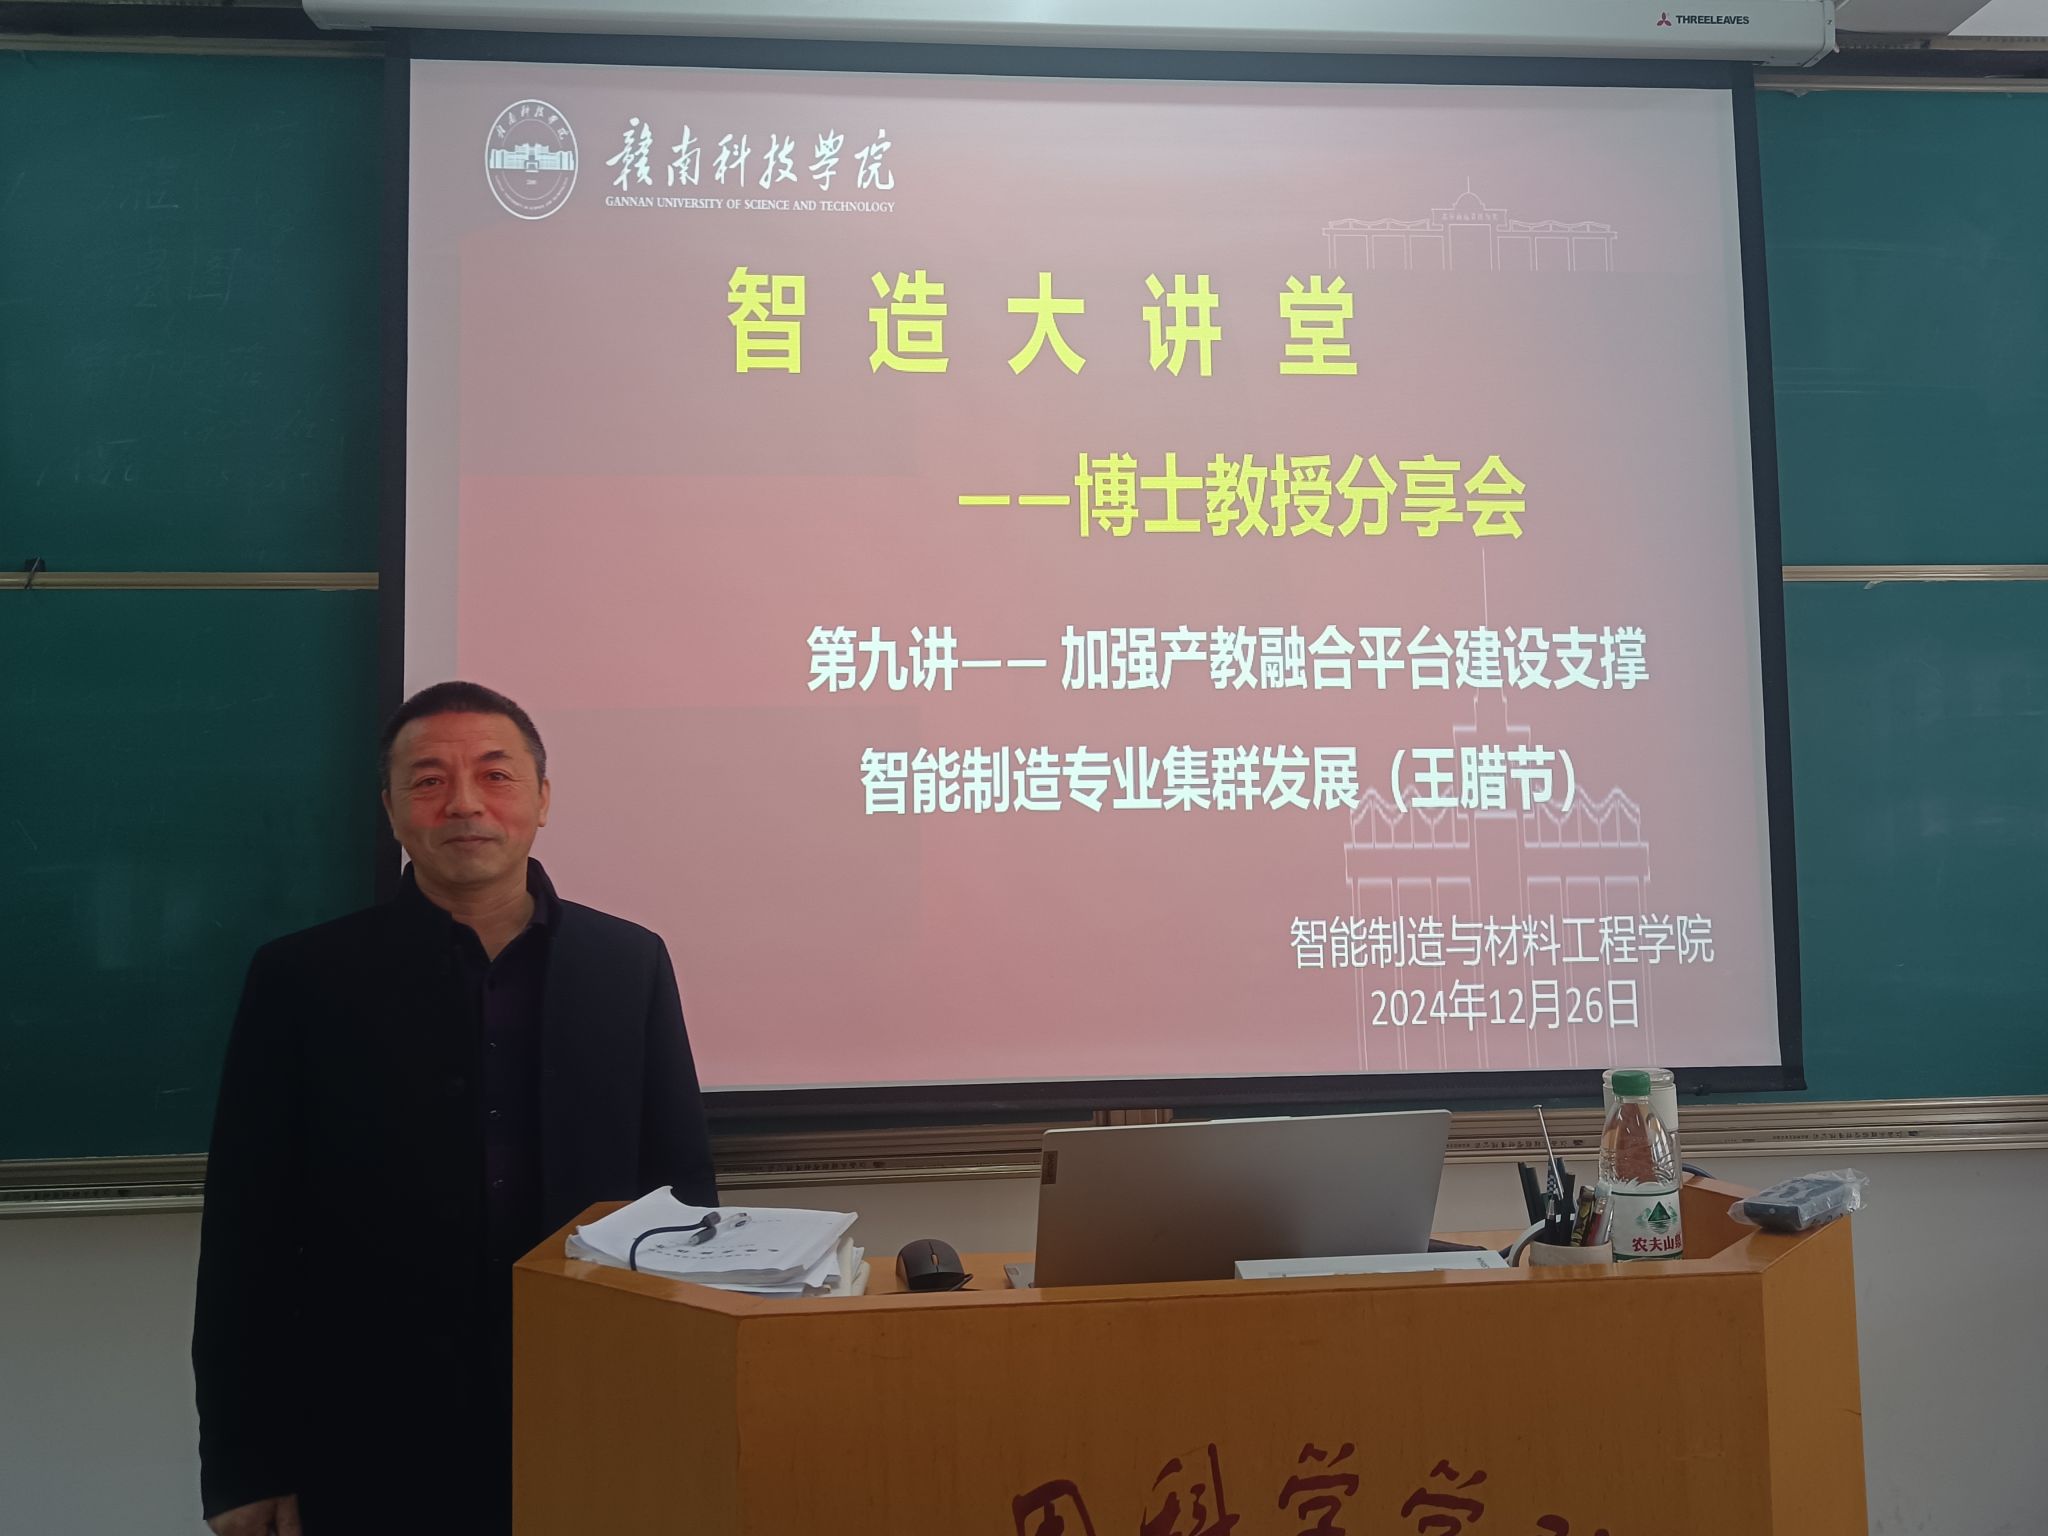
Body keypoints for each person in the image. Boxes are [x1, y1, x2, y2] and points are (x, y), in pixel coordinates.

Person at [192, 681, 717, 1535]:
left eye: (496, 775)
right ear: (392, 810)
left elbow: (682, 1198)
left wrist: (690, 1407)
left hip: (593, 1407)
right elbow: (246, 1235)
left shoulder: (628, 964)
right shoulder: (303, 979)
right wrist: (244, 1464)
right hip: (370, 1429)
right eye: (429, 780)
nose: (465, 803)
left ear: (542, 799)